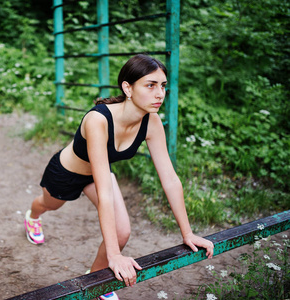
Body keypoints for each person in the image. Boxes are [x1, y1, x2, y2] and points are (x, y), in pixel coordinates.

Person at [24, 54, 214, 300]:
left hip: (98, 174)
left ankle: (96, 279)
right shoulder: (98, 119)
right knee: (49, 204)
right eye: (150, 85)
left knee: (122, 232)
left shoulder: (151, 122)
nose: (160, 94)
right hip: (67, 172)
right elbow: (105, 192)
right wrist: (115, 254)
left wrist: (187, 233)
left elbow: (170, 179)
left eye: (163, 86)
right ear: (128, 88)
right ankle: (32, 216)